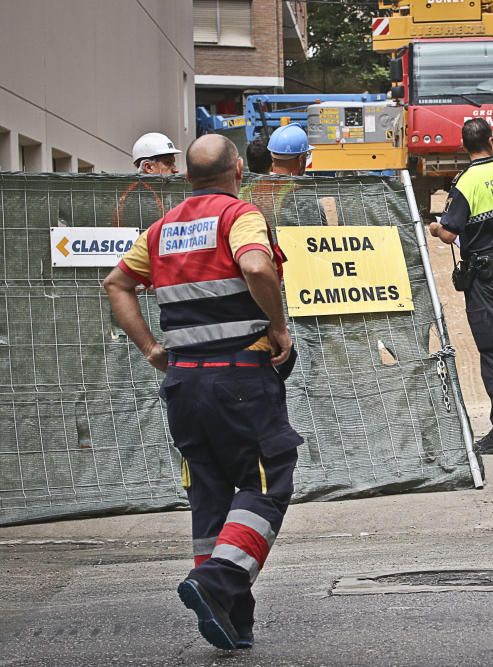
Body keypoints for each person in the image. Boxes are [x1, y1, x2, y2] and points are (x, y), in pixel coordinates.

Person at [102, 134, 301, 651]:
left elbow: (116, 284)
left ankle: (231, 619)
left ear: (187, 176)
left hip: (184, 383)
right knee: (267, 482)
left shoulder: (161, 230)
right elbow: (256, 266)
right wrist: (278, 325)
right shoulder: (241, 216)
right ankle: (215, 583)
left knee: (210, 492)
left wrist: (151, 348)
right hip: (240, 376)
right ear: (238, 168)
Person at [429, 118, 493, 455]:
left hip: (486, 278)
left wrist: (435, 230)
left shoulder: (466, 182)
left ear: (464, 146)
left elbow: (451, 233)